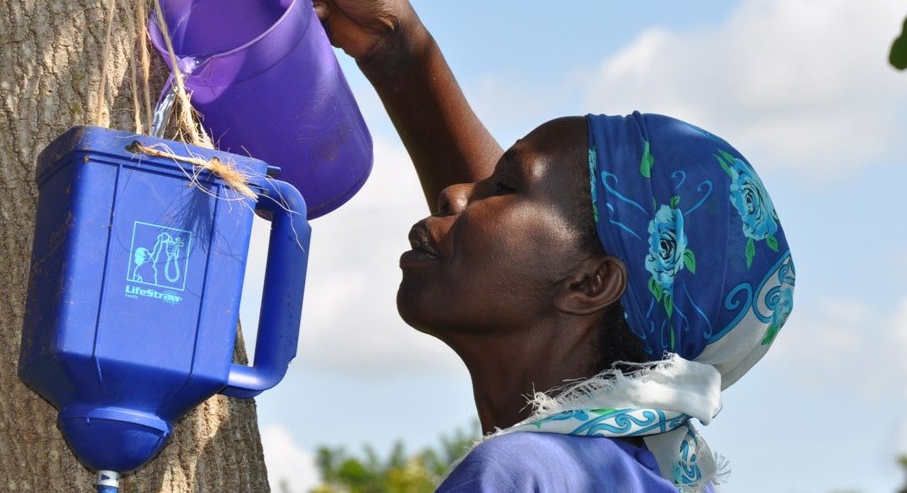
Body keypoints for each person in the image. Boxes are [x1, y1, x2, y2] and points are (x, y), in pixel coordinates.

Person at [313, 2, 796, 492]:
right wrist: (396, 50)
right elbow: (541, 237)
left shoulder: (519, 473)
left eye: (503, 186)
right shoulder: (619, 475)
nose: (454, 193)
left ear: (592, 282)